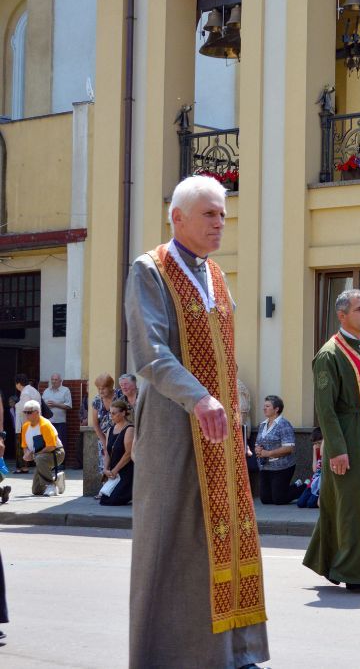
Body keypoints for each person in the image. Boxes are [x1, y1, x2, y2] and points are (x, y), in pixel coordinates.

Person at [124, 175, 268, 668]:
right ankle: (162, 657)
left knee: (225, 537)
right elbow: (150, 354)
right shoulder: (150, 270)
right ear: (177, 218)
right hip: (173, 425)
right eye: (209, 214)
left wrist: (234, 420)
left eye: (223, 214)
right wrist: (199, 398)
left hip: (220, 431)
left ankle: (232, 652)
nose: (219, 223)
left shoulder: (217, 275)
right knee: (172, 540)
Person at [304, 290, 360, 594]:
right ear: (342, 315)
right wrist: (337, 450)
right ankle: (358, 575)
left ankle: (342, 564)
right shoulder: (329, 354)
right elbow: (326, 409)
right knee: (356, 508)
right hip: (351, 442)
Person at [254, 395, 302, 505]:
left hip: (282, 466)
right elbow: (257, 443)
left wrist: (268, 453)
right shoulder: (262, 425)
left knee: (279, 499)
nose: (264, 408)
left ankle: (301, 487)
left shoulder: (284, 424)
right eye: (264, 406)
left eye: (267, 406)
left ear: (276, 409)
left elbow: (289, 448)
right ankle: (282, 491)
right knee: (265, 499)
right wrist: (257, 449)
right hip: (265, 467)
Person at [20, 400, 65, 496]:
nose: (26, 415)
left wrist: (34, 454)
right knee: (36, 490)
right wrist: (26, 454)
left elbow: (51, 446)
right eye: (25, 412)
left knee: (40, 458)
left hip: (56, 453)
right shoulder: (25, 426)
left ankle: (51, 485)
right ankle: (57, 480)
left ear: (37, 412)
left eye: (29, 412)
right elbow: (25, 446)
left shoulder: (45, 425)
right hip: (40, 456)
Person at [99, 399, 135, 506]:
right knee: (104, 500)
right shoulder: (110, 430)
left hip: (126, 471)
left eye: (114, 413)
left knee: (113, 500)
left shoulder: (129, 429)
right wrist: (105, 469)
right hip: (114, 473)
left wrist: (115, 470)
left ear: (123, 413)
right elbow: (107, 452)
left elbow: (128, 454)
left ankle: (132, 493)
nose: (111, 416)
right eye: (110, 413)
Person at [89, 373, 120, 485]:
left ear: (110, 387)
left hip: (120, 436)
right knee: (104, 465)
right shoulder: (97, 400)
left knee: (118, 464)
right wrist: (104, 442)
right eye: (99, 388)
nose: (101, 391)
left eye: (103, 388)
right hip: (103, 437)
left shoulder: (120, 396)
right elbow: (95, 424)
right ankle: (105, 489)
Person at [14, 375, 40, 474]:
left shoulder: (25, 393)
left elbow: (24, 408)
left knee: (22, 445)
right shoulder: (34, 390)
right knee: (33, 444)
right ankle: (33, 464)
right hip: (34, 423)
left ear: (18, 384)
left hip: (24, 424)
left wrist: (16, 405)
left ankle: (23, 467)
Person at [42, 373, 73, 455]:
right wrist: (46, 406)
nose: (54, 381)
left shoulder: (65, 390)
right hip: (48, 422)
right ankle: (50, 461)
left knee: (60, 444)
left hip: (60, 422)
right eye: (52, 379)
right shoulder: (46, 391)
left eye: (56, 380)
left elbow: (69, 406)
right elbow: (41, 405)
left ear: (60, 381)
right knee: (48, 443)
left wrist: (56, 404)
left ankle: (61, 461)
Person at [297, 427, 323, 510]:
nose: (317, 446)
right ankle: (304, 485)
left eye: (319, 443)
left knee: (310, 504)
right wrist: (314, 451)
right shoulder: (317, 449)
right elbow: (315, 470)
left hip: (321, 482)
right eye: (315, 444)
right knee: (300, 503)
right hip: (314, 481)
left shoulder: (328, 451)